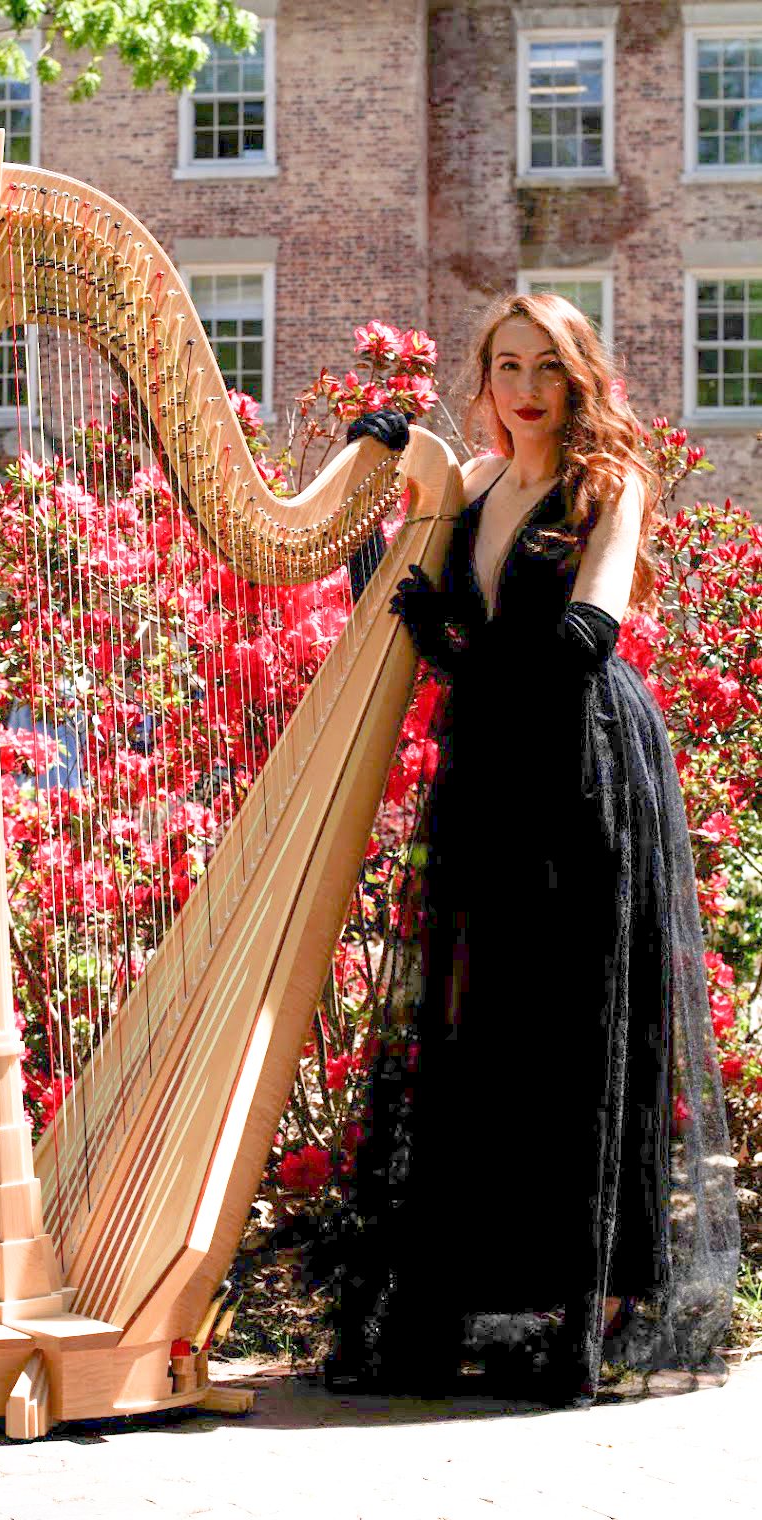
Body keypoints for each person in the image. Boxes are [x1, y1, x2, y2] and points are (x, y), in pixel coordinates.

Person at [329, 293, 741, 1408]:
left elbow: (581, 639)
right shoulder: (465, 485)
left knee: (577, 1028)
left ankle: (583, 1306)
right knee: (480, 1028)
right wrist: (372, 498)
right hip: (488, 772)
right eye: (503, 366)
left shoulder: (608, 486)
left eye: (543, 369)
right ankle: (482, 1292)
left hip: (581, 768)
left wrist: (450, 646)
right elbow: (391, 607)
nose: (521, 388)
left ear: (574, 378)